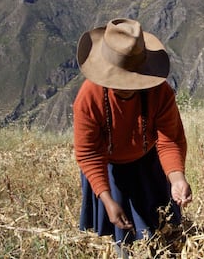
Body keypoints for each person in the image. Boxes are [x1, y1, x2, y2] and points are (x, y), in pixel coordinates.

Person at [72, 18, 192, 246]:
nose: (126, 88)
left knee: (160, 227)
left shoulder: (160, 92)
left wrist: (177, 178)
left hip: (148, 162)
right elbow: (89, 153)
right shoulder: (88, 98)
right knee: (122, 236)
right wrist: (107, 199)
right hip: (108, 167)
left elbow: (169, 140)